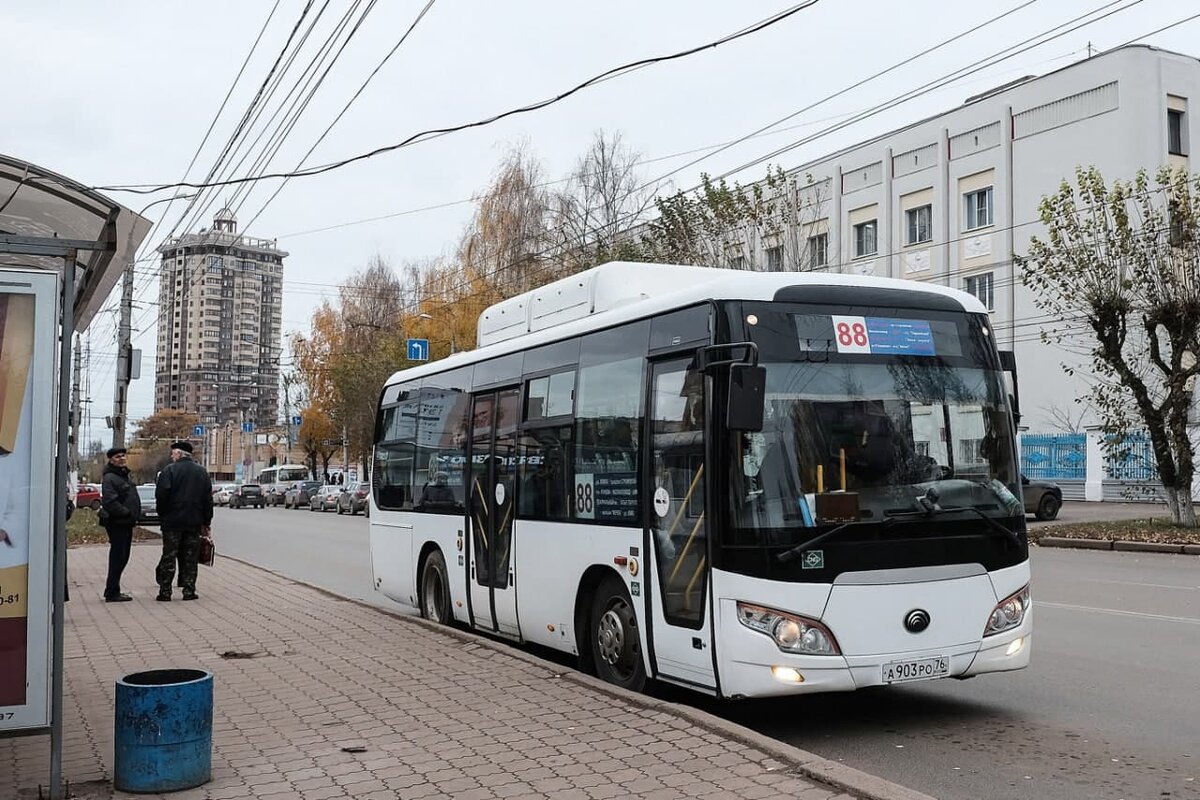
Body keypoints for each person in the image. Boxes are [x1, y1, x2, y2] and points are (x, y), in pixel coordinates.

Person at [154, 441, 212, 601]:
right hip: (194, 522)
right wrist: (206, 522)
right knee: (190, 558)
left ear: (179, 454)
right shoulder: (202, 472)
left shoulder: (169, 471)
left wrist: (163, 516)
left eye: (173, 453)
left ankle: (165, 592)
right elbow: (207, 500)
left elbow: (161, 496)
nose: (171, 456)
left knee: (169, 556)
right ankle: (189, 590)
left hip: (172, 523)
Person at [98, 447, 140, 602]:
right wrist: (126, 512)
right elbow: (110, 501)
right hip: (117, 523)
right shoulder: (110, 477)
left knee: (123, 556)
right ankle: (111, 592)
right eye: (117, 456)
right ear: (111, 459)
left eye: (123, 455)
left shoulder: (123, 476)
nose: (122, 458)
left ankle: (114, 588)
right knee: (118, 556)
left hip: (126, 523)